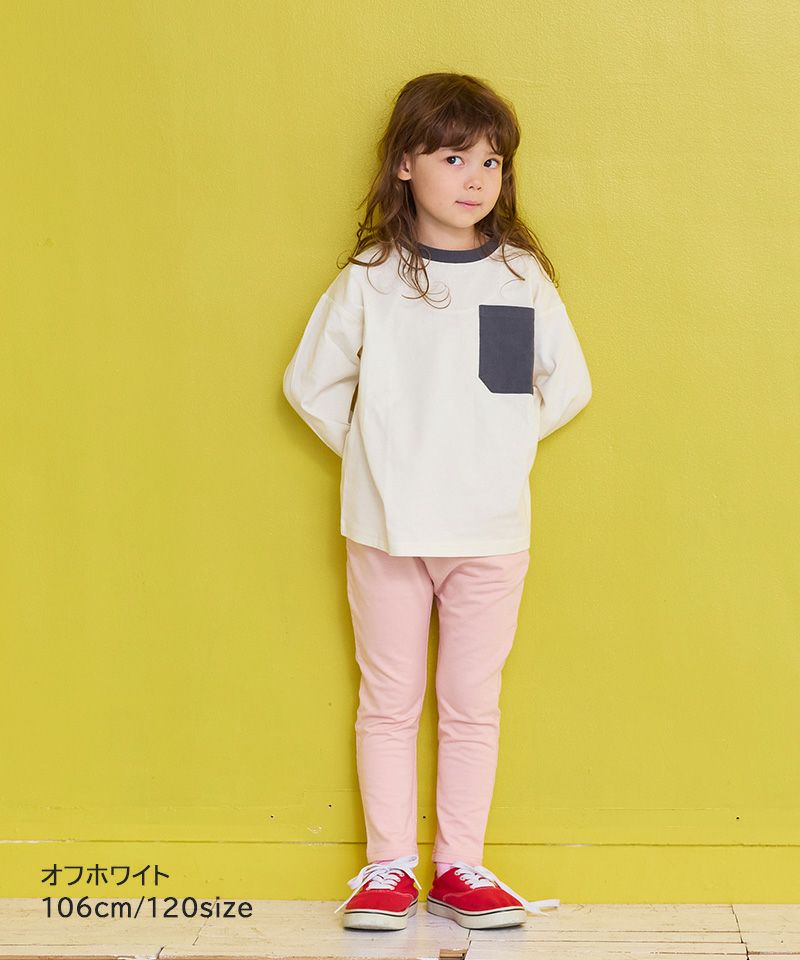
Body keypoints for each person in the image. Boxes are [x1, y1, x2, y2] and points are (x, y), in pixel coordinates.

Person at [282, 72, 591, 932]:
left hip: (490, 533)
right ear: (405, 165)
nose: (476, 178)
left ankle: (459, 866)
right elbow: (310, 385)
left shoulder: (519, 277)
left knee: (471, 703)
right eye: (454, 158)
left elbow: (562, 386)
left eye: (491, 161)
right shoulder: (373, 278)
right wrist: (381, 458)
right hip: (386, 530)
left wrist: (494, 453)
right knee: (388, 701)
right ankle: (387, 867)